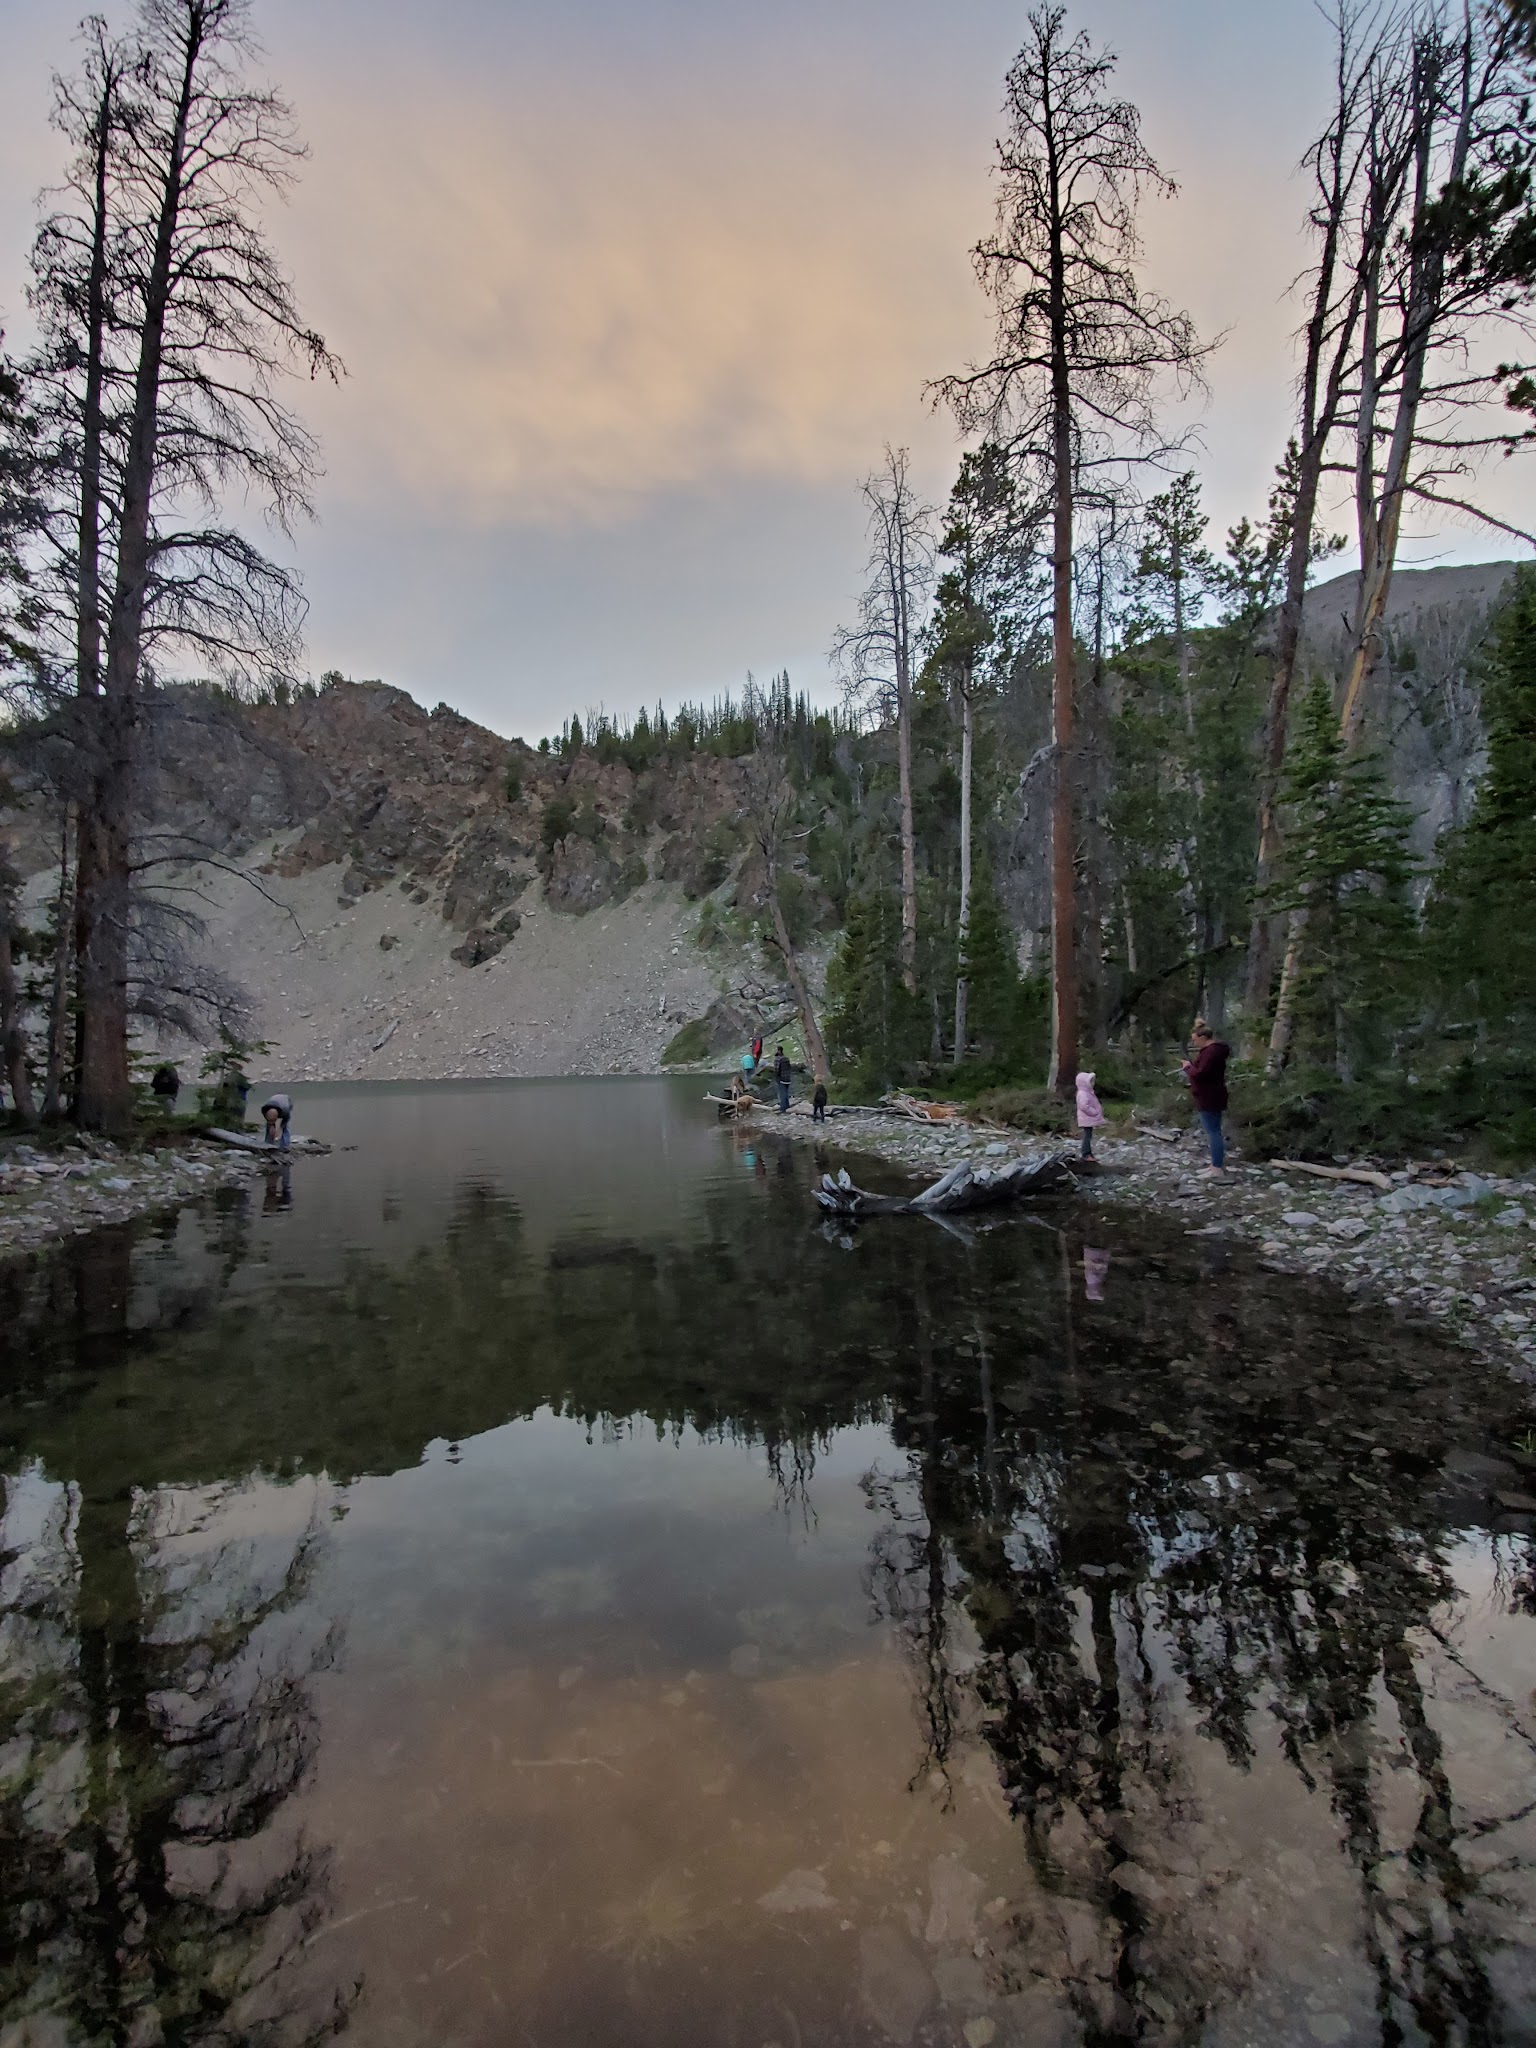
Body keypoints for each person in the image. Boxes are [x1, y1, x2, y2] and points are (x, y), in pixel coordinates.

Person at [1182, 1018, 1231, 1174]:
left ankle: (1216, 1167)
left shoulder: (1211, 1052)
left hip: (1210, 1096)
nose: (1194, 1044)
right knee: (1213, 1130)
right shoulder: (1214, 1052)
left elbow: (1201, 1074)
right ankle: (1214, 1165)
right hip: (1211, 1094)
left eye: (1195, 1040)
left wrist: (1188, 1068)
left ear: (1203, 1038)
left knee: (1214, 1132)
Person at [1075, 1070, 1104, 1160]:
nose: (1093, 1083)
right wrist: (1093, 1112)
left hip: (1087, 1118)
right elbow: (1083, 1106)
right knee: (1087, 1136)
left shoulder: (1088, 1092)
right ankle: (1086, 1154)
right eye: (1090, 1081)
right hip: (1086, 1118)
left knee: (1089, 1135)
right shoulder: (1083, 1093)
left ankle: (1089, 1154)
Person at [773, 1045, 793, 1113]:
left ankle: (783, 1108)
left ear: (778, 1051)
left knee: (782, 1093)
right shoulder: (786, 1058)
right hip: (788, 1078)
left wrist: (776, 1078)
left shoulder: (777, 1059)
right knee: (786, 1093)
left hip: (781, 1078)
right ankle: (787, 1106)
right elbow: (790, 1068)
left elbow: (777, 1070)